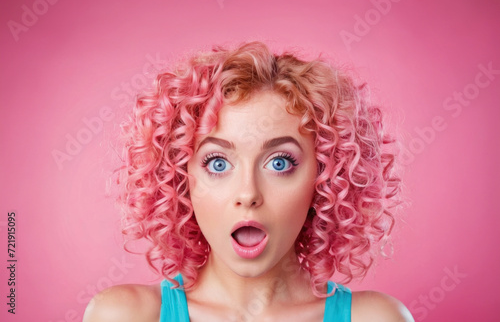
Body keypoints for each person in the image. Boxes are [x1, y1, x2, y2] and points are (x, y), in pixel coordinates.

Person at [83, 41, 414, 321]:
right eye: (218, 162)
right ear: (181, 179)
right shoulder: (126, 315)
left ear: (325, 178)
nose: (248, 193)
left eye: (279, 163)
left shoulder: (376, 317)